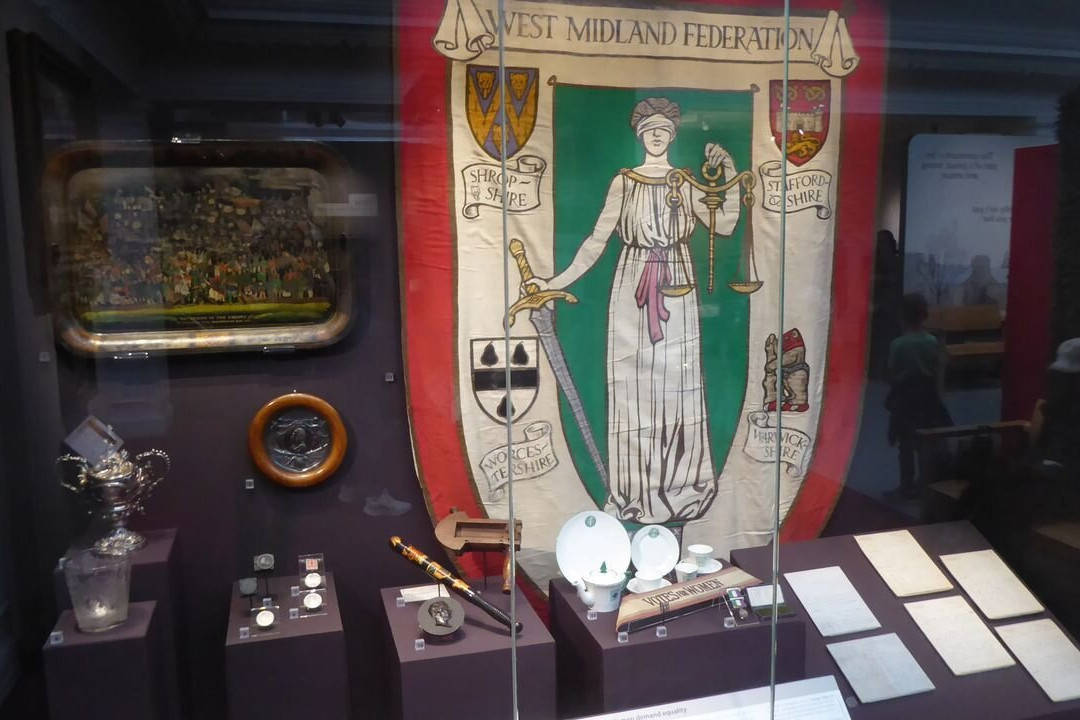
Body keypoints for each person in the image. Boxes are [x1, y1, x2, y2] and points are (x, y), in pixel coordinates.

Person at [528, 97, 741, 523]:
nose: (657, 135)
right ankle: (634, 490)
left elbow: (725, 224)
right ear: (641, 136)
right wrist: (554, 282)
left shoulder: (685, 181)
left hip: (678, 282)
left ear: (672, 136)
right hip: (633, 283)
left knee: (678, 387)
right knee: (634, 387)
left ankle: (683, 487)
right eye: (650, 129)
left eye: (664, 129)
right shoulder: (624, 182)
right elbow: (596, 241)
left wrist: (731, 171)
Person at [885, 293, 952, 500]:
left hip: (905, 398)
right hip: (927, 397)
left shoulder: (898, 344)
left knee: (905, 443)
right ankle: (925, 483)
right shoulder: (932, 341)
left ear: (902, 316)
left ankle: (906, 486)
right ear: (924, 315)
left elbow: (892, 373)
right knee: (925, 442)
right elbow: (938, 368)